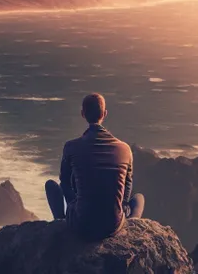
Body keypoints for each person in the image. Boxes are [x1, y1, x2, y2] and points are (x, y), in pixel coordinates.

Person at [45, 93, 145, 240]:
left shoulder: (71, 146)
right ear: (105, 114)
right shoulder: (124, 149)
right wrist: (122, 205)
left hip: (81, 224)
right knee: (139, 198)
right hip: (113, 225)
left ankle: (60, 221)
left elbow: (65, 182)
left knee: (51, 185)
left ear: (82, 114)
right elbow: (127, 184)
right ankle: (132, 223)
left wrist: (74, 203)